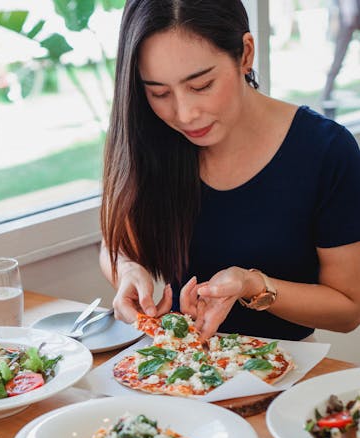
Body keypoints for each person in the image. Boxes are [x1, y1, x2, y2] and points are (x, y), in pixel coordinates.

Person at [100, 0, 360, 342]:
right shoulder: (151, 136)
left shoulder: (325, 150)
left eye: (201, 85)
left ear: (245, 54)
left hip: (283, 366)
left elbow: (348, 310)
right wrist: (128, 271)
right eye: (159, 92)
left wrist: (253, 285)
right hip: (180, 367)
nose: (184, 114)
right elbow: (117, 244)